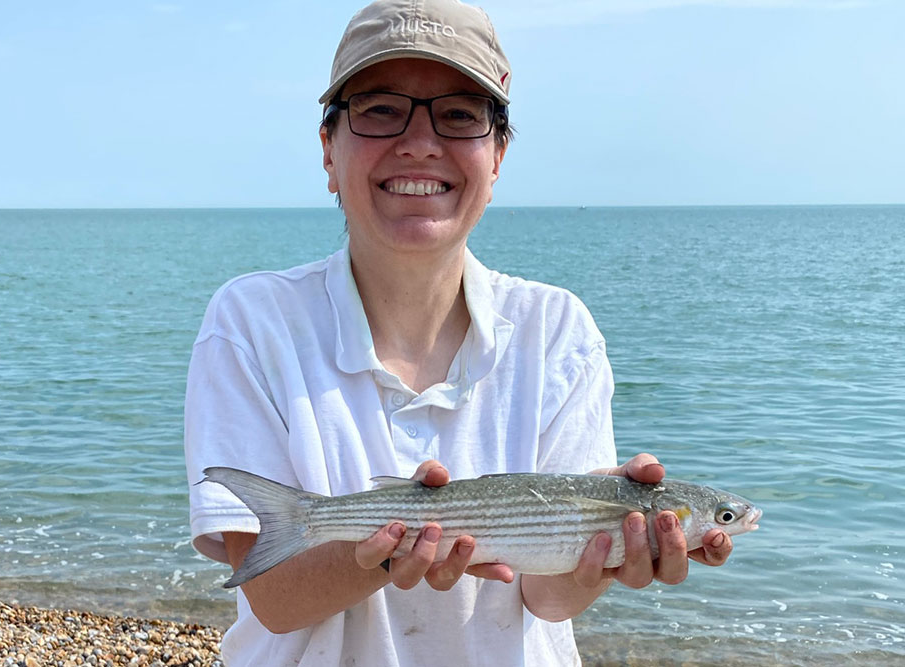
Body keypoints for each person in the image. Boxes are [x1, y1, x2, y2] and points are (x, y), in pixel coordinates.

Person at [184, 1, 734, 664]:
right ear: (328, 148)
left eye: (460, 114)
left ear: (498, 155)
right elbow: (273, 599)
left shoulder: (559, 330)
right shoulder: (251, 322)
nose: (419, 142)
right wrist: (388, 553)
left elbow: (548, 599)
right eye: (381, 108)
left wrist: (601, 557)